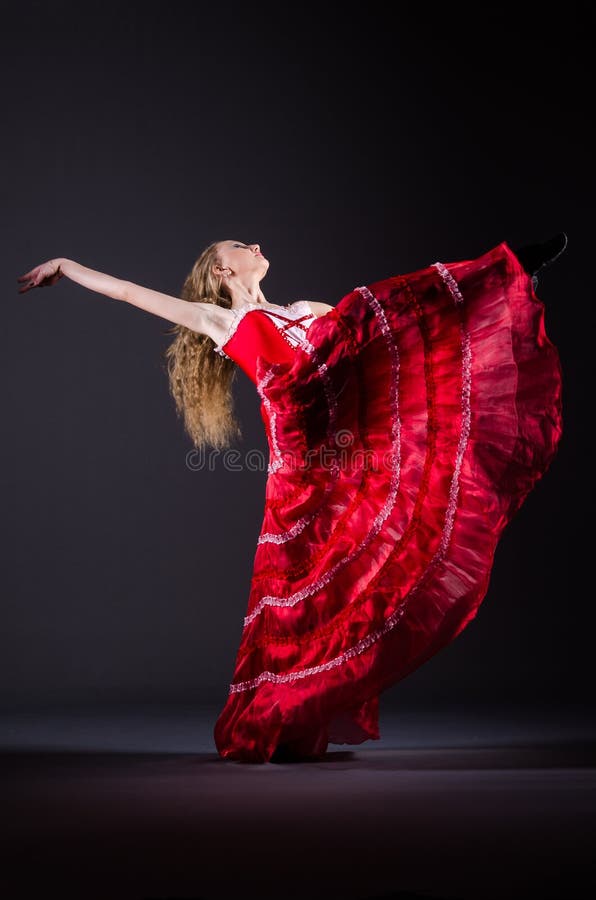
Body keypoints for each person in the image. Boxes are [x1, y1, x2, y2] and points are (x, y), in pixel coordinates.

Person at [17, 233, 566, 764]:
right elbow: (131, 293)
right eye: (239, 245)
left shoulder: (305, 310)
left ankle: (499, 278)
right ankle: (279, 719)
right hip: (299, 488)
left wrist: (473, 301)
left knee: (370, 314)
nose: (254, 246)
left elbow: (388, 335)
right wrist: (67, 266)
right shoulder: (225, 321)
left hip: (345, 472)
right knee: (302, 607)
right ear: (221, 270)